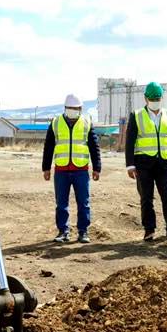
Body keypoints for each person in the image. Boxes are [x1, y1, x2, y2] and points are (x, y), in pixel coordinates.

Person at [125, 82, 167, 242]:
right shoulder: (136, 115)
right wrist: (130, 165)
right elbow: (130, 141)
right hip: (143, 164)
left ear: (161, 98)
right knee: (146, 198)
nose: (155, 101)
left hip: (164, 163)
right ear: (145, 98)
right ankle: (149, 230)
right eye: (152, 98)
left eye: (157, 98)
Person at [42, 94, 101, 244]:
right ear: (65, 108)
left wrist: (97, 167)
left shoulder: (87, 122)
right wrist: (46, 168)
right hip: (61, 170)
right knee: (61, 203)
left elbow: (94, 146)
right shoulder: (55, 122)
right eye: (70, 108)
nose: (73, 110)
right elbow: (48, 147)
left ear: (80, 109)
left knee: (84, 202)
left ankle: (83, 231)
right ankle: (63, 231)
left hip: (81, 170)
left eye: (76, 108)